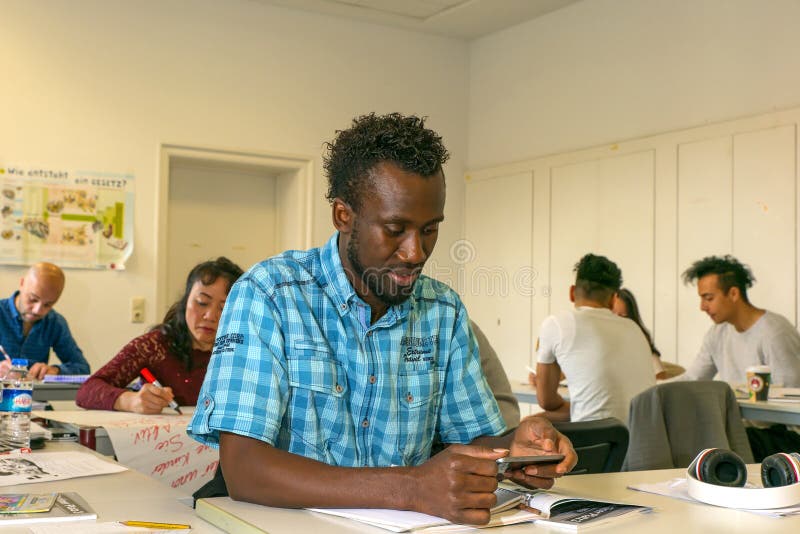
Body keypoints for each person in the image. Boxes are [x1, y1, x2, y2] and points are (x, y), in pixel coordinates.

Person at [188, 112, 576, 525]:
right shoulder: (269, 294)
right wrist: (410, 487)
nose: (415, 252)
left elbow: (475, 441)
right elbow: (245, 469)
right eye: (395, 229)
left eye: (429, 229)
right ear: (343, 216)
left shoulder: (442, 311)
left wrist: (514, 452)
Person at [76, 257, 243, 414]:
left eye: (224, 308)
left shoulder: (245, 351)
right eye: (202, 303)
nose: (210, 316)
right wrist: (130, 401)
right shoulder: (155, 346)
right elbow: (87, 390)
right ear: (185, 302)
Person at [535, 254, 655, 423]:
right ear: (614, 299)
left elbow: (546, 401)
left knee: (531, 423)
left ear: (571, 292)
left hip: (593, 439)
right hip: (643, 439)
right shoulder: (635, 329)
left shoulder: (555, 323)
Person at [681, 255, 800, 387]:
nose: (702, 307)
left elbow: (791, 394)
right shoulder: (716, 334)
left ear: (733, 294)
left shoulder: (775, 333)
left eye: (709, 298)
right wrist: (655, 388)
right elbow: (692, 378)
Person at [0, 262, 89, 379]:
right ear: (21, 284)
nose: (38, 310)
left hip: (34, 396)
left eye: (48, 304)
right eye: (33, 299)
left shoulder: (54, 322)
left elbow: (82, 368)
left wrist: (55, 371)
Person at [612, 288, 684, 380]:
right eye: (612, 315)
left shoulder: (643, 346)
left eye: (623, 316)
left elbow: (659, 381)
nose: (616, 321)